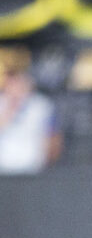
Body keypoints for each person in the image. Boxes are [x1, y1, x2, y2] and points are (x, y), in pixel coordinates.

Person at [0, 45, 62, 174]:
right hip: (3, 166)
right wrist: (11, 108)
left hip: (31, 166)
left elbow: (52, 137)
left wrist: (48, 162)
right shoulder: (2, 103)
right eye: (12, 82)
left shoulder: (42, 106)